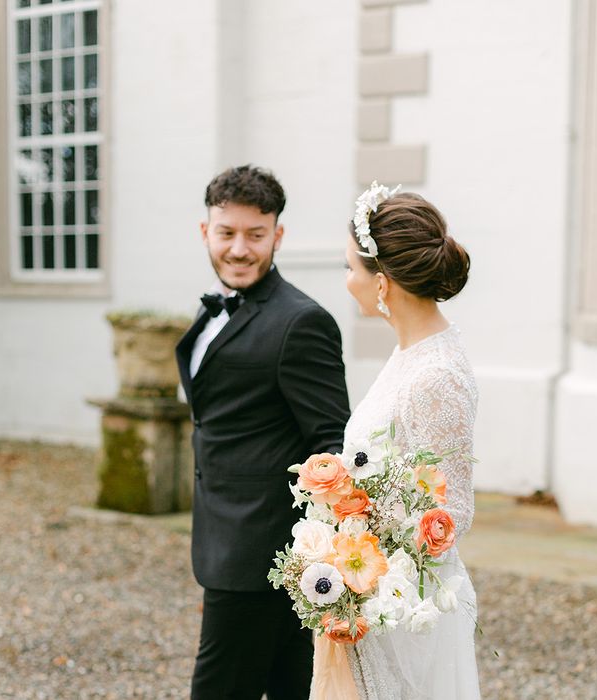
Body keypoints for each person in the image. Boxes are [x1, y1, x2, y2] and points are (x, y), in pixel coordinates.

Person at [176, 165, 351, 700]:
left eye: (255, 235)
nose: (239, 249)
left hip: (262, 551)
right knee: (290, 685)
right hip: (225, 536)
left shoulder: (301, 322)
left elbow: (332, 442)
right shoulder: (215, 309)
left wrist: (321, 552)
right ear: (205, 231)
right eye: (226, 233)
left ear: (278, 235)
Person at [315, 182, 481, 699]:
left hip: (403, 605)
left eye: (350, 268)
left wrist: (355, 555)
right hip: (375, 588)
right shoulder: (410, 353)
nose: (346, 281)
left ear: (382, 284)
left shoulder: (437, 376)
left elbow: (450, 511)